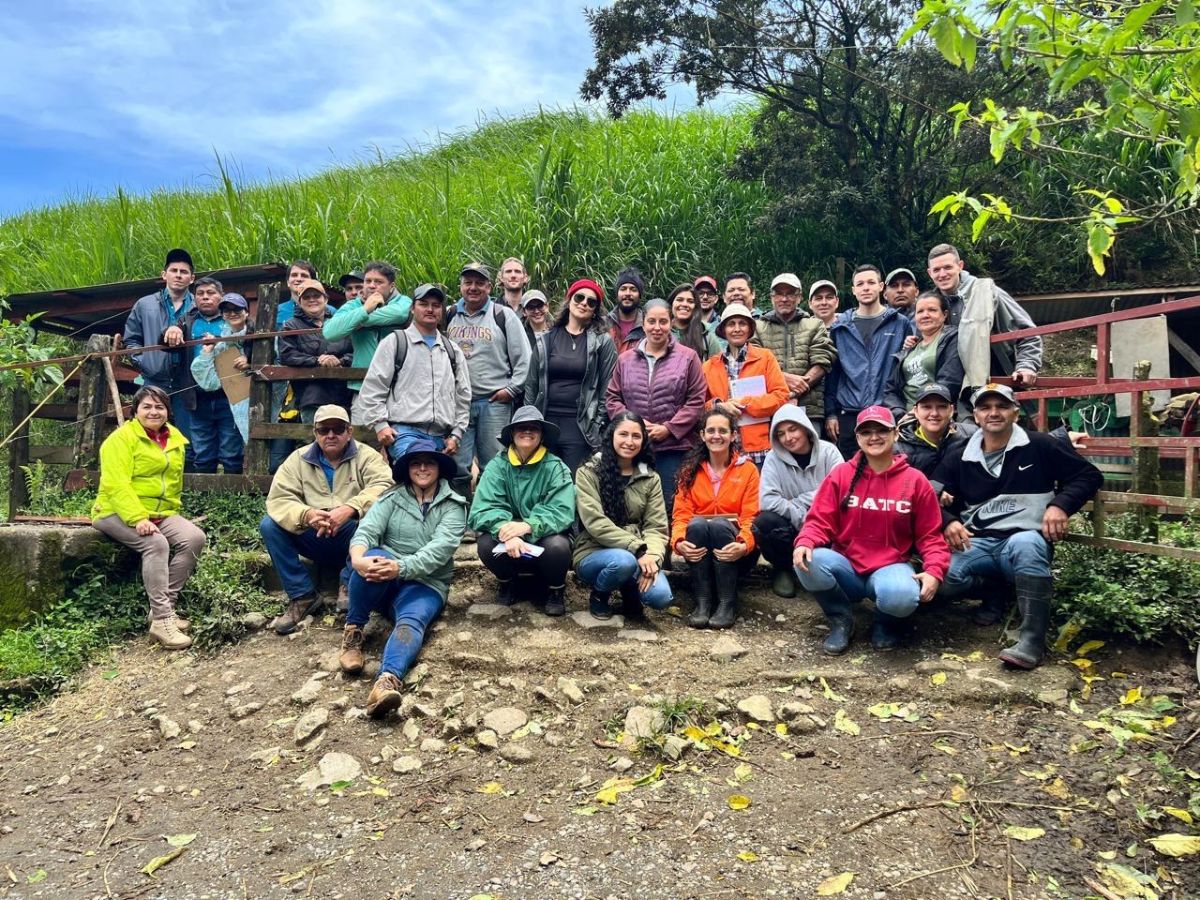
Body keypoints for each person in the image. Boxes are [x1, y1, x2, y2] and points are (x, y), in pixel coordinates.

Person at [934, 384, 1102, 669]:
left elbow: (1088, 476)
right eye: (985, 408)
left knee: (1026, 545)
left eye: (1001, 406)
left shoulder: (1040, 445)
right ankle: (994, 590)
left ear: (1014, 412)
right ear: (975, 416)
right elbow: (925, 495)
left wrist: (1060, 505)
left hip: (1024, 538)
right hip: (978, 542)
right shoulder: (960, 454)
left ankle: (1031, 640)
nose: (994, 413)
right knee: (943, 578)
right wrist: (948, 520)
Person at [793, 406, 949, 654]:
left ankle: (885, 623)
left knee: (902, 596)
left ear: (895, 434)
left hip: (891, 566)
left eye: (881, 430)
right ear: (857, 438)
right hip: (847, 566)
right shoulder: (841, 475)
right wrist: (806, 541)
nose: (874, 437)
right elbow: (819, 519)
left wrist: (934, 570)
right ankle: (841, 618)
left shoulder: (915, 480)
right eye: (866, 432)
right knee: (808, 561)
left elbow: (930, 536)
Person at [340, 441, 466, 718]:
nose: (422, 468)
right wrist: (358, 558)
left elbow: (439, 551)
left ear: (439, 469)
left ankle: (386, 682)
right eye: (415, 463)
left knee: (412, 621)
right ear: (407, 469)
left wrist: (401, 567)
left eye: (429, 463)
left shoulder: (454, 506)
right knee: (371, 557)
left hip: (426, 583)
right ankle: (353, 632)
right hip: (386, 576)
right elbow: (366, 531)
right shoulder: (391, 498)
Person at [91, 386, 205, 650]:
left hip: (160, 512)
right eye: (147, 407)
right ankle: (162, 621)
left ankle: (164, 608)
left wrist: (169, 512)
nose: (154, 412)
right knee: (156, 544)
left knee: (194, 538)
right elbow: (115, 484)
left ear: (167, 411)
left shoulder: (175, 438)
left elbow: (172, 483)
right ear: (135, 411)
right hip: (114, 511)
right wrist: (137, 517)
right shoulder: (120, 440)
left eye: (160, 407)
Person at [261, 404, 393, 631]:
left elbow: (384, 486)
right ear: (315, 433)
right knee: (269, 525)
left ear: (349, 431)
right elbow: (279, 499)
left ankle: (350, 583)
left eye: (338, 428)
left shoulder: (367, 456)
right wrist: (307, 514)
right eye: (324, 430)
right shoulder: (297, 459)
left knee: (375, 519)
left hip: (353, 535)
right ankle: (301, 595)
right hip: (314, 533)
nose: (331, 435)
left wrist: (350, 508)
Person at [605, 299, 707, 520]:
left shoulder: (688, 357)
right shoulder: (625, 360)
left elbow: (697, 400)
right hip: (633, 448)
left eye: (663, 321)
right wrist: (633, 427)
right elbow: (613, 397)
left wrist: (669, 428)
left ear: (671, 323)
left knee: (669, 505)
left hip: (674, 448)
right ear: (643, 324)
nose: (657, 327)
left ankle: (665, 554)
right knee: (633, 506)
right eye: (651, 321)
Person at [469, 407, 576, 616]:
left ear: (542, 435)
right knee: (485, 544)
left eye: (533, 428)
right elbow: (482, 509)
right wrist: (504, 531)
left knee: (558, 546)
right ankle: (507, 583)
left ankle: (555, 590)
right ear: (511, 434)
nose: (527, 432)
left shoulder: (556, 467)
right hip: (509, 540)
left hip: (542, 536)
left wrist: (527, 526)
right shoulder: (496, 466)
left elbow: (561, 510)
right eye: (521, 428)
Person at [354, 283, 471, 469]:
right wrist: (380, 425)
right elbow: (373, 387)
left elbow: (463, 396)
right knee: (419, 476)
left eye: (436, 305)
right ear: (412, 308)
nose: (430, 309)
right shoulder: (395, 342)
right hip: (404, 433)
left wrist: (456, 433)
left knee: (434, 487)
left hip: (442, 436)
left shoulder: (452, 350)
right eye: (424, 304)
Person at [574, 413, 673, 620]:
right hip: (595, 551)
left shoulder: (650, 477)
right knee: (624, 561)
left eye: (636, 436)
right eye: (623, 434)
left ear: (643, 440)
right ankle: (600, 595)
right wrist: (637, 549)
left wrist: (652, 558)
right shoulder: (589, 472)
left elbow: (656, 527)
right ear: (611, 436)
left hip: (640, 553)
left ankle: (629, 587)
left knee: (661, 597)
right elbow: (595, 522)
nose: (629, 441)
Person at [445, 262, 533, 487]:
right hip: (458, 403)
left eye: (479, 283)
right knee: (457, 464)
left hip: (493, 402)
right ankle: (459, 516)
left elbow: (525, 357)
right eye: (468, 283)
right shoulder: (449, 315)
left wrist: (512, 389)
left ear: (489, 287)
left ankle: (489, 513)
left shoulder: (503, 315)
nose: (473, 287)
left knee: (493, 463)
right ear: (461, 286)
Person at [927, 243, 1043, 412]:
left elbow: (1028, 333)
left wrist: (1027, 364)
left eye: (947, 267)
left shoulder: (986, 292)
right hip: (950, 388)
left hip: (992, 383)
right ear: (930, 273)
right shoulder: (931, 305)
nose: (942, 274)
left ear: (960, 266)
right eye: (937, 270)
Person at [672, 409, 760, 629]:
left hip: (735, 552)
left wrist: (744, 544)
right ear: (702, 435)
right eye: (710, 430)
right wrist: (679, 542)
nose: (716, 435)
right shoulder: (689, 471)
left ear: (733, 435)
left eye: (722, 430)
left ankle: (726, 603)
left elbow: (752, 516)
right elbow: (681, 515)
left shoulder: (748, 470)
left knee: (721, 525)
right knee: (698, 524)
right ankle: (702, 602)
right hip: (700, 546)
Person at [823, 264, 916, 459]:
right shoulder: (840, 328)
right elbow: (832, 374)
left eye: (871, 282)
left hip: (886, 410)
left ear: (881, 286)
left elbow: (907, 367)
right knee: (852, 474)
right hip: (849, 412)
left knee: (886, 471)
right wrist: (831, 413)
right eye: (860, 284)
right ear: (853, 290)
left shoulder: (900, 323)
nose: (866, 288)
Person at [525, 278, 618, 472]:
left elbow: (607, 389)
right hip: (545, 421)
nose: (584, 303)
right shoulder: (546, 339)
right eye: (579, 297)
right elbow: (531, 386)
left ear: (595, 311)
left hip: (580, 425)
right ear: (569, 301)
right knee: (541, 480)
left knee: (573, 484)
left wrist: (596, 424)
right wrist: (530, 421)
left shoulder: (603, 342)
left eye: (591, 302)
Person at [752, 405, 843, 598]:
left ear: (805, 428)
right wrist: (801, 515)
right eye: (781, 433)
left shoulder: (829, 452)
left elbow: (841, 492)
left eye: (793, 429)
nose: (788, 438)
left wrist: (798, 501)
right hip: (791, 525)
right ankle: (783, 567)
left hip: (825, 524)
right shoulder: (773, 458)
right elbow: (767, 501)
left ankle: (828, 571)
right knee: (765, 522)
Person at [122, 248, 195, 446]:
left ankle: (185, 476)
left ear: (192, 278)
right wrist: (144, 362)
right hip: (154, 380)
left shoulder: (197, 306)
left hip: (187, 382)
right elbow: (131, 339)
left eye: (184, 272)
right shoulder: (144, 304)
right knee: (146, 435)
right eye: (174, 270)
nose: (178, 275)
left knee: (187, 439)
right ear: (164, 275)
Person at [703, 304, 789, 467]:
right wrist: (720, 406)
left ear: (750, 329)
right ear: (723, 330)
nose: (737, 329)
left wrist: (745, 403)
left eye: (742, 324)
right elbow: (701, 405)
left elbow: (781, 396)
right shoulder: (709, 366)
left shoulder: (765, 358)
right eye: (731, 324)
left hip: (759, 449)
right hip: (722, 450)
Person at [753, 272, 836, 424]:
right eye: (779, 294)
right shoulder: (758, 327)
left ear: (799, 297)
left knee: (811, 448)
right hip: (768, 408)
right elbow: (753, 365)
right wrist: (784, 380)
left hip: (809, 408)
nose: (784, 299)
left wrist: (797, 390)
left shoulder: (815, 324)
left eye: (790, 294)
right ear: (772, 297)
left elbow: (823, 361)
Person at [323, 260, 413, 393]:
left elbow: (399, 314)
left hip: (398, 386)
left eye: (378, 282)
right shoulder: (353, 305)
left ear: (391, 286)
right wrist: (365, 309)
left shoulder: (403, 301)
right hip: (362, 385)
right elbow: (330, 332)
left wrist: (357, 320)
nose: (372, 285)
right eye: (368, 281)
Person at [190, 292, 252, 470]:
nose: (232, 313)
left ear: (246, 312)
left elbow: (276, 360)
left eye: (237, 309)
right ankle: (207, 495)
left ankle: (238, 495)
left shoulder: (260, 335)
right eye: (227, 310)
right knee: (213, 453)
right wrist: (208, 351)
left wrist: (251, 361)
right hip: (232, 400)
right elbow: (209, 381)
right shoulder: (222, 344)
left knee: (232, 454)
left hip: (260, 401)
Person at [882, 290, 964, 420]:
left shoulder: (953, 338)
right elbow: (890, 389)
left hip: (935, 415)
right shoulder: (910, 347)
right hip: (905, 418)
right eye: (920, 311)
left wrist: (917, 413)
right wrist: (899, 412)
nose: (925, 315)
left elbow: (950, 381)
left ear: (944, 314)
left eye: (932, 310)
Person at [278, 280, 353, 422]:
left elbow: (356, 350)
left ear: (325, 299)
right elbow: (287, 355)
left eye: (316, 296)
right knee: (316, 437)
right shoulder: (290, 326)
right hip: (310, 394)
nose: (312, 300)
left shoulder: (341, 322)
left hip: (343, 392)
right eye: (306, 297)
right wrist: (317, 360)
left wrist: (341, 361)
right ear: (299, 302)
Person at [668, 283, 721, 361]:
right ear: (671, 303)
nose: (685, 304)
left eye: (690, 301)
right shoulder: (660, 332)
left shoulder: (707, 337)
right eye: (680, 300)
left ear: (696, 307)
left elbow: (717, 368)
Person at [605, 267, 646, 353]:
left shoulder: (647, 325)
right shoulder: (604, 324)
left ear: (640, 295)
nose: (627, 293)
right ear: (617, 294)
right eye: (623, 289)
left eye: (633, 289)